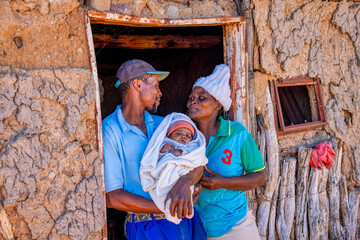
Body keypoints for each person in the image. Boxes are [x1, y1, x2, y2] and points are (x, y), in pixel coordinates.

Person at [102, 59, 205, 240]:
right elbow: (112, 197)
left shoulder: (165, 125)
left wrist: (184, 183)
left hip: (187, 220)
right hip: (147, 226)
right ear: (137, 85)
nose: (160, 92)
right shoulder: (111, 129)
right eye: (156, 85)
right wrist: (167, 206)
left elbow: (198, 162)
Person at [187, 64, 266, 239]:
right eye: (191, 97)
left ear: (217, 104)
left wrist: (223, 182)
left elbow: (259, 176)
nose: (193, 101)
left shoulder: (237, 134)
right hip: (199, 227)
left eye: (202, 98)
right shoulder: (186, 139)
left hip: (237, 227)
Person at [140, 113, 208, 225]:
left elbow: (198, 160)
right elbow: (154, 159)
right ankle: (171, 205)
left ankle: (179, 205)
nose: (183, 137)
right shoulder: (165, 144)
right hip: (165, 173)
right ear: (169, 135)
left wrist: (183, 153)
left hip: (183, 172)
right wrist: (163, 151)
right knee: (164, 186)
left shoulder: (192, 147)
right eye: (178, 133)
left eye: (188, 135)